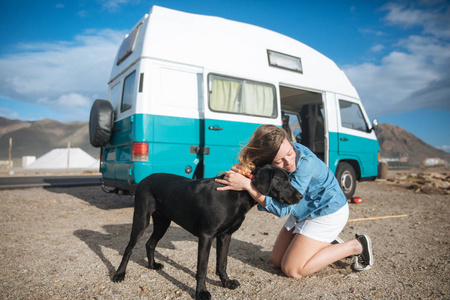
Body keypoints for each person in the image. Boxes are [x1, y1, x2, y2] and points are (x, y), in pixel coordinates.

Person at [215, 124, 373, 278]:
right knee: (277, 261)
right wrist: (241, 172)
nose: (289, 162)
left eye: (290, 153)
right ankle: (324, 243)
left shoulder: (306, 163)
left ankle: (356, 246)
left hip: (328, 211)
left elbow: (283, 209)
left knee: (292, 269)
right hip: (304, 211)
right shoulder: (274, 151)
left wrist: (248, 185)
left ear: (290, 143)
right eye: (279, 161)